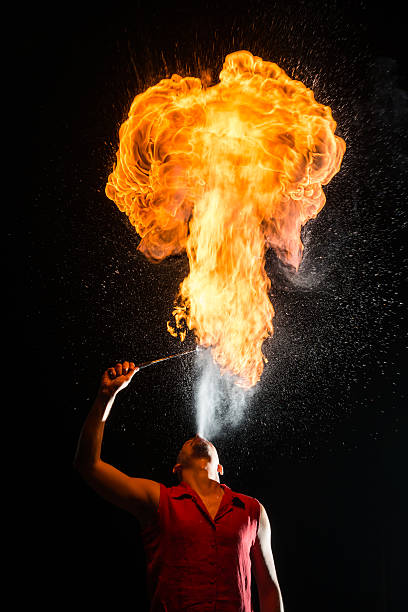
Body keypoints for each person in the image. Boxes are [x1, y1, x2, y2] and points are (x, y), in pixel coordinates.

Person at [74, 360, 284, 611]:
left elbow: (270, 591)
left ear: (220, 469)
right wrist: (105, 398)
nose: (198, 437)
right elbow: (89, 465)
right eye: (187, 442)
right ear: (176, 469)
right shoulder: (159, 501)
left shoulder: (252, 511)